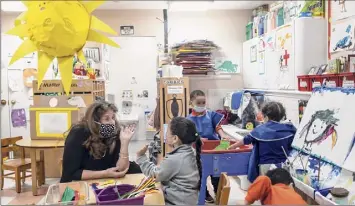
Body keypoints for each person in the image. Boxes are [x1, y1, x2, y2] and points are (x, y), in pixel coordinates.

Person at [60, 101, 142, 183]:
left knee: (135, 169)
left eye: (113, 117)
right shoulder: (79, 133)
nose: (112, 122)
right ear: (94, 122)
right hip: (80, 183)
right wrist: (105, 173)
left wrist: (124, 143)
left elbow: (122, 169)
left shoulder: (115, 133)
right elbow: (71, 173)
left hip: (106, 182)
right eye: (106, 119)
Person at [136, 117, 202, 205]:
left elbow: (154, 175)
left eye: (167, 132)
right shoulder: (190, 152)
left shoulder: (176, 159)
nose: (164, 134)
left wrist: (141, 157)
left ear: (175, 138)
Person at [228, 101, 296, 183]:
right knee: (279, 189)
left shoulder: (261, 130)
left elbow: (246, 140)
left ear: (266, 116)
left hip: (265, 166)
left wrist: (232, 147)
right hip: (283, 166)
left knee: (265, 188)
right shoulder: (289, 129)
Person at [187, 90, 229, 203]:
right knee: (200, 174)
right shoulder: (188, 120)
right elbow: (187, 135)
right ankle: (205, 194)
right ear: (191, 103)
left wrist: (223, 135)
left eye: (203, 102)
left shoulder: (210, 114)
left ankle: (217, 192)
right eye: (198, 103)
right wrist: (196, 139)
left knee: (216, 173)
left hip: (214, 148)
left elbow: (218, 127)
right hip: (198, 151)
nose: (201, 105)